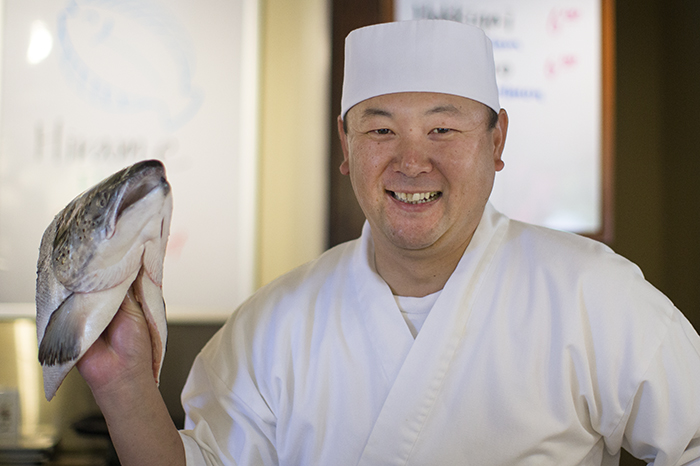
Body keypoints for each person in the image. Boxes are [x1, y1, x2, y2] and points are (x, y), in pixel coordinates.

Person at [77, 19, 700, 465]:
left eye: (442, 129)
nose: (412, 162)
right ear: (346, 146)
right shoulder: (272, 324)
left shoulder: (592, 293)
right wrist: (122, 383)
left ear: (497, 142)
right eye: (380, 131)